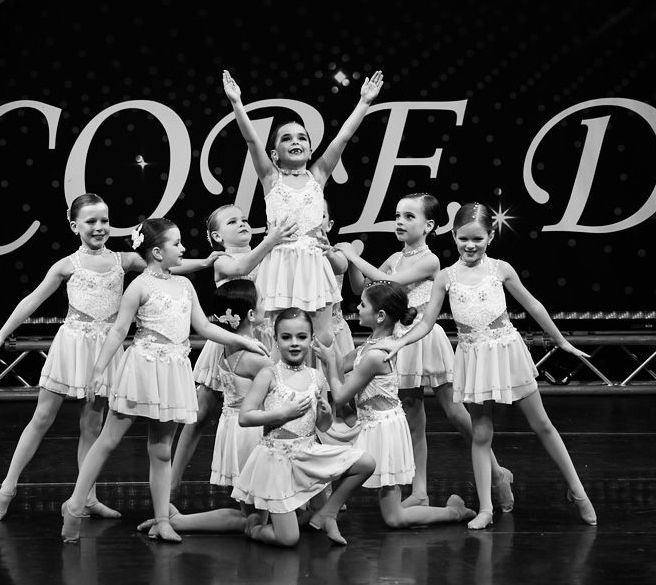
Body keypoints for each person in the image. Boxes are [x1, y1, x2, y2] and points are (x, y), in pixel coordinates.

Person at [0, 193, 217, 522]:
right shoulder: (67, 265)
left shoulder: (123, 260)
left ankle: (87, 497)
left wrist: (205, 263)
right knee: (42, 419)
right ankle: (8, 487)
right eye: (91, 221)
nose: (99, 227)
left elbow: (162, 263)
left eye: (104, 220)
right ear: (74, 224)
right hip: (73, 346)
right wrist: (1, 334)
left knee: (91, 426)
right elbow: (31, 300)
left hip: (106, 348)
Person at [375, 202, 597, 528]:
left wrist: (561, 341)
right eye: (464, 238)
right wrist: (398, 342)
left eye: (478, 238)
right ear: (452, 235)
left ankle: (578, 492)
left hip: (506, 351)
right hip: (474, 356)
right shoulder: (446, 277)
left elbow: (533, 304)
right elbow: (425, 324)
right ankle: (485, 509)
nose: (470, 245)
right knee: (480, 433)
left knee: (542, 424)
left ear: (490, 236)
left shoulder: (500, 269)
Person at [58, 218, 268, 544]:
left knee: (160, 450)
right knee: (108, 440)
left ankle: (162, 520)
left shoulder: (184, 286)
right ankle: (73, 505)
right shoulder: (139, 286)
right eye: (177, 244)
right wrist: (98, 370)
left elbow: (205, 326)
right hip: (142, 366)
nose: (183, 249)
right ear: (157, 251)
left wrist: (244, 341)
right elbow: (118, 331)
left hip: (172, 370)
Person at [336, 193, 515, 510]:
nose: (400, 222)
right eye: (398, 215)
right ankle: (419, 490)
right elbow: (363, 289)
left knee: (456, 413)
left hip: (424, 339)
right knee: (413, 419)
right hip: (399, 342)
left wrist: (353, 252)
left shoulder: (430, 260)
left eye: (409, 216)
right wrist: (351, 262)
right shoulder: (394, 256)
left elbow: (387, 279)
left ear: (429, 225)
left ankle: (498, 471)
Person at [220, 68, 383, 345]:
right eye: (287, 138)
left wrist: (364, 103)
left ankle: (318, 387)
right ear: (274, 154)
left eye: (301, 138)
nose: (295, 141)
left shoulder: (317, 176)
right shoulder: (271, 178)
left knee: (322, 337)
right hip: (279, 262)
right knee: (277, 333)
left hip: (312, 261)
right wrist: (237, 103)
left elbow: (342, 138)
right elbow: (251, 140)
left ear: (309, 150)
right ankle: (281, 386)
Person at [167, 207, 297, 503]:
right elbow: (241, 270)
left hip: (262, 338)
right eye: (232, 222)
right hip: (229, 342)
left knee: (270, 412)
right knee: (200, 414)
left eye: (244, 220)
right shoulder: (225, 259)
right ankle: (171, 485)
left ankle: (275, 484)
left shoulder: (269, 255)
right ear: (216, 236)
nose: (242, 224)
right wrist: (271, 240)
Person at [320, 281, 475, 528]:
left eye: (362, 304)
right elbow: (344, 363)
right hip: (371, 425)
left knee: (394, 518)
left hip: (384, 432)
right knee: (344, 467)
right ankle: (325, 513)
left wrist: (328, 362)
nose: (357, 308)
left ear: (380, 315)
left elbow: (339, 396)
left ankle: (454, 512)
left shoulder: (375, 356)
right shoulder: (372, 342)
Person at [231, 308, 376, 547]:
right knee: (288, 539)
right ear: (276, 340)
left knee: (366, 463)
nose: (294, 343)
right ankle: (255, 529)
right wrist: (282, 413)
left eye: (301, 337)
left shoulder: (316, 377)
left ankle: (327, 514)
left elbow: (322, 425)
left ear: (311, 339)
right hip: (277, 459)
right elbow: (245, 417)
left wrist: (326, 415)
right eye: (286, 337)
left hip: (307, 453)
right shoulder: (269, 375)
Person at [138, 279, 271, 535]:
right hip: (251, 433)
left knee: (257, 514)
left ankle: (173, 517)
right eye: (262, 302)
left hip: (233, 427)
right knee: (253, 520)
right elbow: (279, 383)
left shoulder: (225, 347)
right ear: (251, 314)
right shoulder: (255, 358)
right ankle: (178, 521)